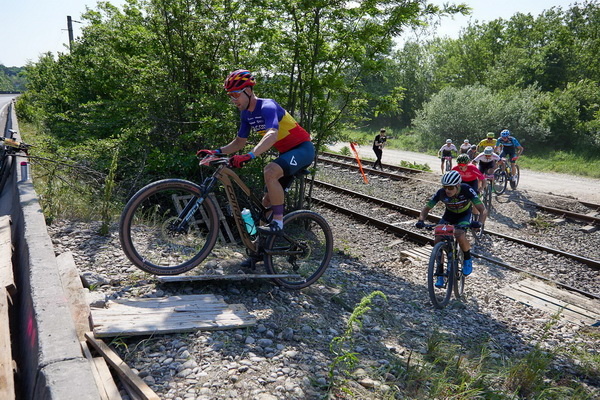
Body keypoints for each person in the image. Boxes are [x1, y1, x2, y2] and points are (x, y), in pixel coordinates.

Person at [197, 69, 314, 237]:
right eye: (230, 96)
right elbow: (239, 142)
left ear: (248, 91)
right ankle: (261, 246)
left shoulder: (267, 106)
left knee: (270, 171)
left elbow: (272, 134)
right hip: (286, 154)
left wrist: (249, 155)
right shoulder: (245, 114)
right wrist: (216, 152)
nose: (233, 100)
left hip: (303, 149)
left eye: (235, 95)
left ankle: (278, 223)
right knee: (266, 202)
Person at [415, 171, 486, 286]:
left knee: (459, 234)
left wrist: (479, 223)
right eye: (445, 187)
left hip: (464, 215)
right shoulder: (441, 193)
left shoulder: (466, 189)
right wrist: (421, 220)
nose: (447, 190)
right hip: (449, 216)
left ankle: (467, 259)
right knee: (438, 239)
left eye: (450, 187)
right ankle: (440, 272)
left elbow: (483, 210)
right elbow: (426, 209)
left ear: (458, 185)